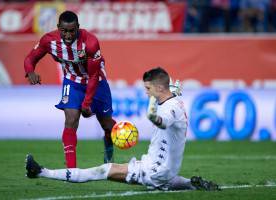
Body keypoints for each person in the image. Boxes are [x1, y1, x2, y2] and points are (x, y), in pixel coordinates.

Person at [25, 67, 220, 191]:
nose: (146, 92)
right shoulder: (173, 99)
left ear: (159, 89)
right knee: (165, 180)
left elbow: (164, 120)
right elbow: (170, 97)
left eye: (148, 89)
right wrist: (171, 92)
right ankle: (190, 184)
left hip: (153, 171)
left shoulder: (170, 109)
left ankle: (41, 172)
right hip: (163, 168)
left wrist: (153, 115)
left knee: (103, 171)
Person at [24, 11, 116, 168]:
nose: (67, 35)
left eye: (72, 31)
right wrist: (30, 71)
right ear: (58, 27)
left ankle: (109, 154)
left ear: (78, 28)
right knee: (71, 119)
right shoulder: (49, 40)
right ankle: (71, 169)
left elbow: (93, 76)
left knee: (107, 125)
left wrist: (86, 103)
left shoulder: (91, 42)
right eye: (64, 30)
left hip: (96, 82)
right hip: (72, 81)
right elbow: (30, 58)